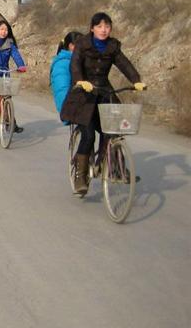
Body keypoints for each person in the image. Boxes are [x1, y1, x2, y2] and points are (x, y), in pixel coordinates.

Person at [60, 12, 145, 195]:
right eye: (99, 26)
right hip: (83, 95)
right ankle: (81, 178)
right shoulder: (83, 44)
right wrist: (80, 80)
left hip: (104, 92)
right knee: (89, 135)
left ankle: (115, 167)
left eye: (107, 26)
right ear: (92, 28)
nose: (103, 30)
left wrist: (136, 79)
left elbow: (124, 63)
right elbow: (74, 64)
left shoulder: (112, 46)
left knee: (113, 131)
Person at [50, 31, 83, 123]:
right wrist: (68, 110)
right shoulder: (62, 64)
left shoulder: (82, 61)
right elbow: (62, 89)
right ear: (71, 46)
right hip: (74, 108)